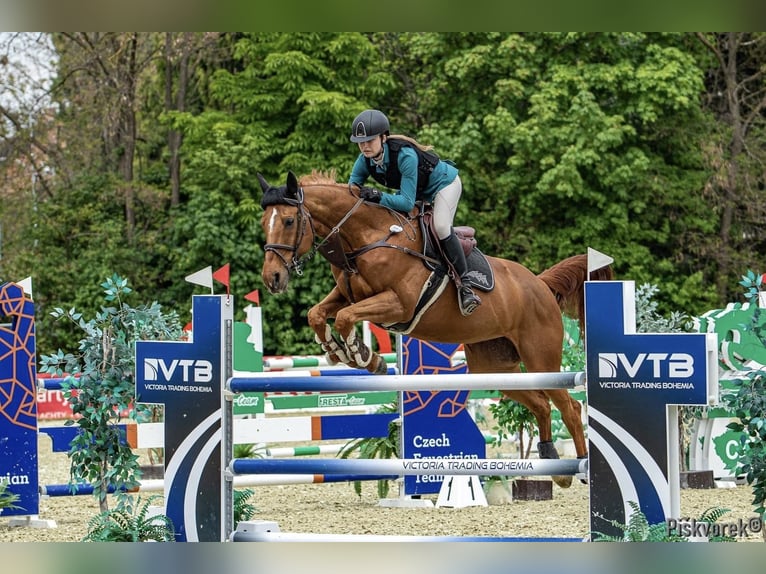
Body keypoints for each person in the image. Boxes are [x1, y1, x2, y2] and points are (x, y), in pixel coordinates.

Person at [348, 109, 481, 316]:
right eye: (360, 142)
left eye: (369, 141)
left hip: (443, 185)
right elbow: (352, 190)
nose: (364, 146)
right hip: (417, 191)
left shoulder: (405, 155)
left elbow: (406, 202)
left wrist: (378, 196)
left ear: (383, 137)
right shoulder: (364, 159)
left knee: (441, 226)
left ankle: (465, 284)